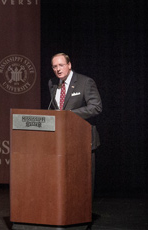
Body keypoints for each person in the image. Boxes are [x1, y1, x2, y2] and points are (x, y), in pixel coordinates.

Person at [48, 52, 102, 193]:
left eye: (61, 65)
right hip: (61, 141)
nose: (58, 69)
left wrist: (69, 115)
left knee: (82, 183)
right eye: (54, 66)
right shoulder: (52, 83)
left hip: (82, 140)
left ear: (69, 65)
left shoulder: (85, 82)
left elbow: (96, 107)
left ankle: (82, 214)